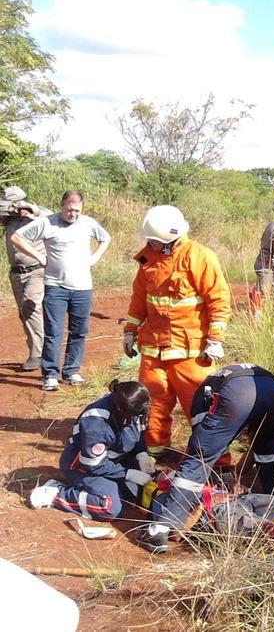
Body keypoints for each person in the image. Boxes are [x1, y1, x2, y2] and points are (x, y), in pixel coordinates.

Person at [139, 363, 274, 554]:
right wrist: (228, 486)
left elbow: (200, 454)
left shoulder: (200, 401)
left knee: (197, 462)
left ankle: (159, 530)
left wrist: (229, 481)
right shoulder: (160, 495)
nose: (166, 473)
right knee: (266, 448)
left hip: (237, 395)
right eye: (163, 475)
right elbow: (182, 532)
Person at [123, 205, 232, 456]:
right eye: (149, 240)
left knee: (202, 407)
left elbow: (219, 299)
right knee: (151, 403)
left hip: (190, 351)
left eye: (154, 240)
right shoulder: (147, 258)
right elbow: (140, 298)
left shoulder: (199, 257)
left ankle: (216, 460)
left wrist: (215, 339)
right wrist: (130, 330)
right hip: (153, 349)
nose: (149, 244)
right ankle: (154, 451)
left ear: (170, 239)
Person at [11, 190, 110, 391]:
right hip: (56, 286)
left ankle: (71, 370)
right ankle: (50, 374)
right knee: (53, 332)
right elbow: (16, 237)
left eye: (77, 210)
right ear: (62, 205)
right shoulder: (47, 222)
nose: (73, 214)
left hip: (83, 288)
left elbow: (105, 238)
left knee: (79, 331)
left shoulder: (87, 223)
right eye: (69, 209)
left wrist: (95, 257)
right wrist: (39, 257)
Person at [28, 379, 154, 520]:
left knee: (145, 487)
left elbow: (137, 431)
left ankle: (114, 485)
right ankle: (56, 493)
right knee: (109, 507)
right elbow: (92, 464)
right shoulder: (97, 423)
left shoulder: (136, 405)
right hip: (85, 465)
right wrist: (127, 473)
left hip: (116, 460)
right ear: (121, 409)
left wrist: (141, 454)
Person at [0, 186, 50, 371]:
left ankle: (38, 354)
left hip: (36, 270)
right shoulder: (8, 218)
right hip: (16, 272)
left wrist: (31, 209)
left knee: (31, 307)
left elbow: (52, 216)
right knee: (24, 313)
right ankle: (38, 349)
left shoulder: (38, 216)